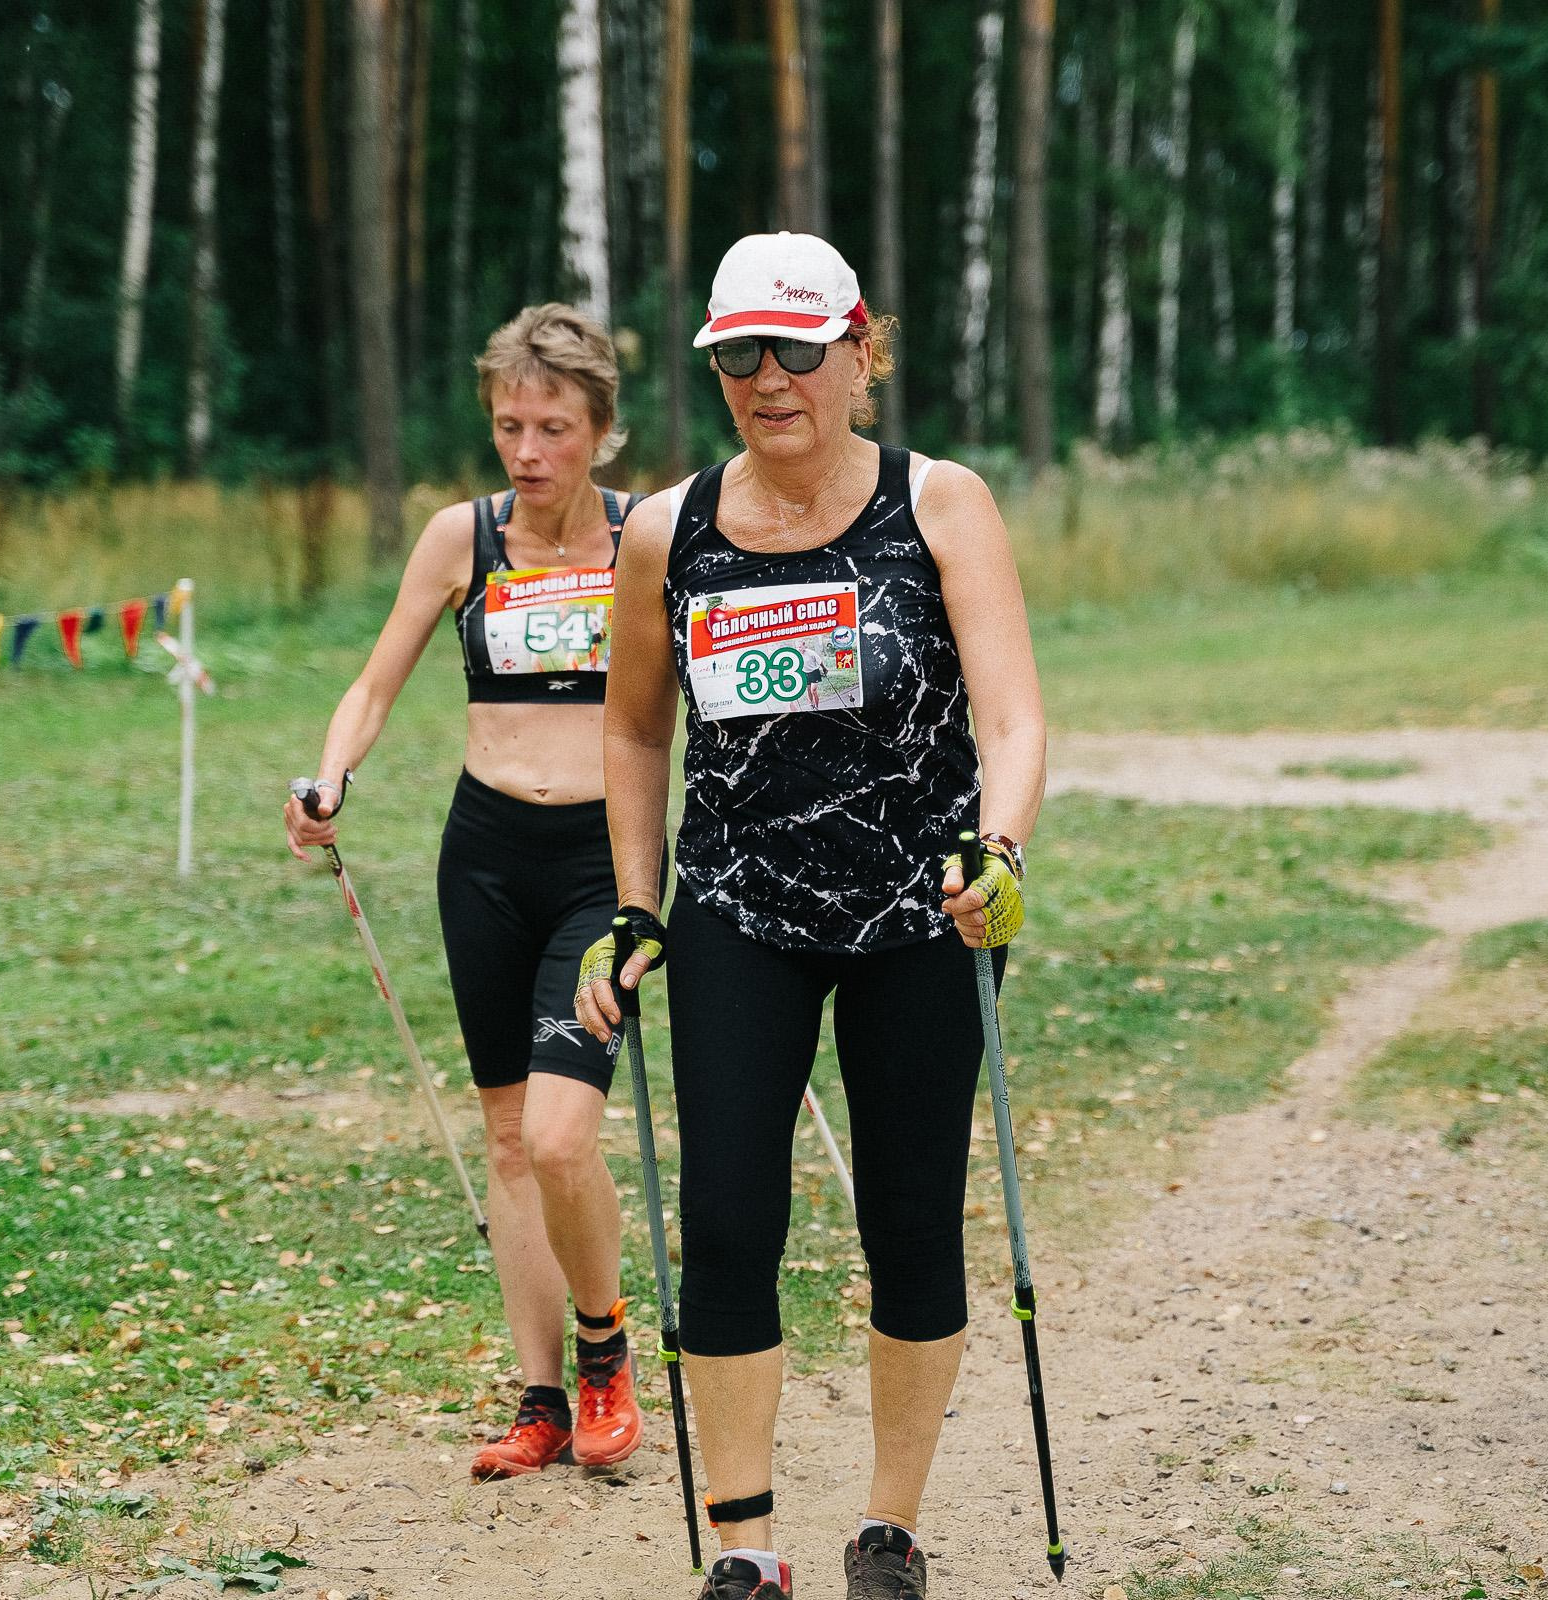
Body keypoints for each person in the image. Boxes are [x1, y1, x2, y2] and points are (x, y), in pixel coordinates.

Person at [577, 233, 1047, 1600]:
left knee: (909, 1216)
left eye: (793, 351)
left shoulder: (940, 504)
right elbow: (631, 738)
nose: (766, 380)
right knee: (726, 1222)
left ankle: (887, 1529)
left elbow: (1014, 716)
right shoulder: (671, 529)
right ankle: (745, 1544)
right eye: (737, 356)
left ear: (859, 353)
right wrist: (632, 903)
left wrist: (999, 848)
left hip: (926, 906)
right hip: (738, 905)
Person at [285, 304, 646, 1481]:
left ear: (601, 430)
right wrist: (328, 776)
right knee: (504, 1134)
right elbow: (374, 684)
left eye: (553, 427)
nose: (528, 450)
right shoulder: (462, 537)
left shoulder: (651, 539)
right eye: (509, 425)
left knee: (557, 1134)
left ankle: (606, 1346)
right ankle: (541, 1397)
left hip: (603, 860)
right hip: (484, 854)